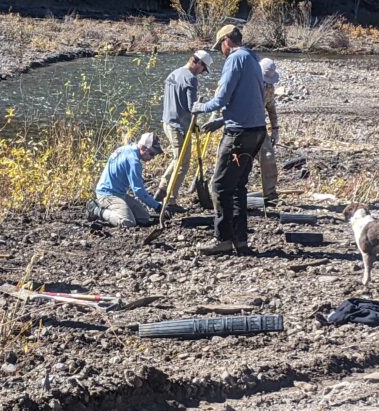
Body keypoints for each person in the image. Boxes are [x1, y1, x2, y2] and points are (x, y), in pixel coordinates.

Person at [190, 24, 265, 255]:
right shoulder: (252, 58)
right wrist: (222, 121)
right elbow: (246, 100)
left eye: (220, 46)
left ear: (226, 42)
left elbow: (221, 98)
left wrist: (199, 107)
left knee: (220, 185)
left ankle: (223, 239)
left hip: (239, 135)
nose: (220, 51)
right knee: (238, 186)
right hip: (256, 132)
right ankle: (240, 240)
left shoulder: (235, 59)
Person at [155, 50, 213, 207]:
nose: (202, 73)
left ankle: (162, 187)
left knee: (177, 158)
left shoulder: (173, 74)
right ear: (198, 63)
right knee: (183, 163)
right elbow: (191, 107)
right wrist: (207, 106)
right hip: (179, 127)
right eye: (203, 69)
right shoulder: (190, 79)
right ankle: (171, 200)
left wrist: (193, 124)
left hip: (167, 122)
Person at [88, 132, 165, 228]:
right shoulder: (134, 162)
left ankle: (115, 209)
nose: (152, 158)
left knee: (144, 218)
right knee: (127, 222)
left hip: (119, 194)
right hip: (107, 194)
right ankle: (96, 210)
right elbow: (138, 191)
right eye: (152, 154)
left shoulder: (125, 149)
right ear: (143, 148)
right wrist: (157, 206)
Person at [258, 57, 281, 206]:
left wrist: (275, 129)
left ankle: (270, 193)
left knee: (268, 156)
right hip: (243, 125)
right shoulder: (248, 85)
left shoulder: (270, 88)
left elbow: (271, 109)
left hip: (259, 126)